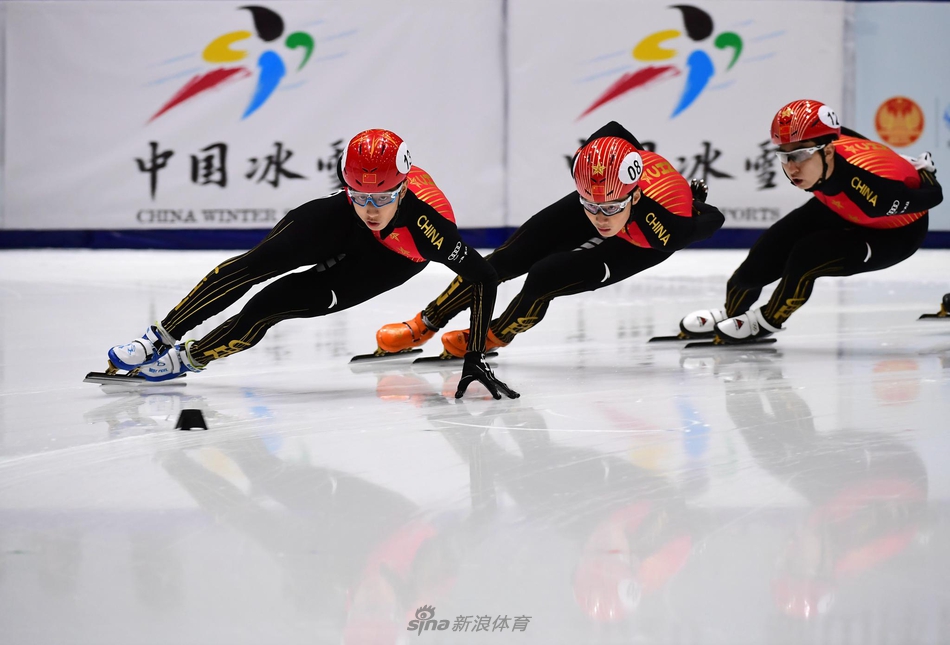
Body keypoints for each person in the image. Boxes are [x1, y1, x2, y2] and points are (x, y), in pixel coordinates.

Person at [105, 129, 518, 399]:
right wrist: (358, 202)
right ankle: (160, 337)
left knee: (271, 304)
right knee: (256, 264)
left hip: (391, 257)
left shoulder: (430, 226)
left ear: (405, 186)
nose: (371, 210)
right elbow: (363, 204)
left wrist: (474, 356)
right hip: (341, 224)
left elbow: (484, 277)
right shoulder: (355, 204)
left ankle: (190, 357)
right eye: (360, 195)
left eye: (382, 197)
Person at [372, 121, 724, 358]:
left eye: (609, 209)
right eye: (592, 207)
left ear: (634, 197)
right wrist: (599, 202)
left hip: (638, 241)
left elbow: (714, 219)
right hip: (608, 191)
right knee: (505, 259)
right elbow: (614, 130)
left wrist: (695, 207)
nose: (600, 219)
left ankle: (495, 334)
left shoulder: (665, 225)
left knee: (547, 276)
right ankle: (424, 324)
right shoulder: (597, 182)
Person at [678, 99, 943, 343]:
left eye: (801, 155)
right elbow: (843, 132)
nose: (791, 167)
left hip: (895, 233)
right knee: (763, 254)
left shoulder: (869, 191)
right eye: (784, 155)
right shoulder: (823, 148)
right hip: (838, 206)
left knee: (808, 256)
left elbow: (935, 196)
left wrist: (926, 173)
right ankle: (731, 311)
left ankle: (768, 320)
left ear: (828, 152)